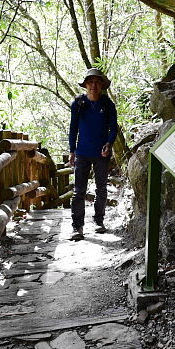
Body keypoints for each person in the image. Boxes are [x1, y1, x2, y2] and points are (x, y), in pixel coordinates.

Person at [68, 68, 118, 241]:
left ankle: (99, 221)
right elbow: (73, 128)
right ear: (86, 85)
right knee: (78, 191)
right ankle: (77, 227)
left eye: (97, 82)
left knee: (101, 189)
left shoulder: (108, 104)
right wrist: (71, 151)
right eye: (90, 82)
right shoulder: (78, 104)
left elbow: (114, 127)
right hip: (82, 152)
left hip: (101, 154)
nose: (94, 85)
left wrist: (109, 143)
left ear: (102, 85)